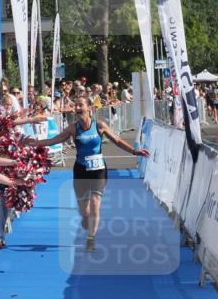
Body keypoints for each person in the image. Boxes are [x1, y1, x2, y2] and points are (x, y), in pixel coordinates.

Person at [24, 96, 149, 253]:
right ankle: (85, 218)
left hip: (98, 170)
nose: (77, 107)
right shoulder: (73, 128)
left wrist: (134, 151)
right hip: (81, 169)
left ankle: (91, 239)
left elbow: (116, 140)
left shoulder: (100, 126)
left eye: (80, 105)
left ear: (89, 108)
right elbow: (55, 140)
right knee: (85, 211)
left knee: (96, 203)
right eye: (75, 105)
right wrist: (35, 143)